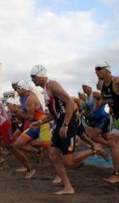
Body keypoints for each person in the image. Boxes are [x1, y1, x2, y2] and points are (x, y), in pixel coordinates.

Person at [30, 65, 104, 195]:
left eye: (33, 77)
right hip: (60, 122)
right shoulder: (46, 90)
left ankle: (94, 149)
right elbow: (55, 113)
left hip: (68, 122)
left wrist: (65, 125)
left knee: (68, 161)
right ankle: (68, 187)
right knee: (53, 155)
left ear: (41, 75)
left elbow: (69, 102)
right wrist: (40, 122)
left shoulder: (52, 84)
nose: (32, 80)